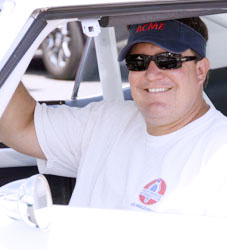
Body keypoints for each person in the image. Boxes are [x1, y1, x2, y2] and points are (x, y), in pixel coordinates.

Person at [0, 17, 227, 216]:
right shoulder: (106, 120)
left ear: (200, 70)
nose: (151, 74)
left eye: (168, 60)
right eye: (138, 62)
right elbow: (20, 126)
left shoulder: (219, 154)